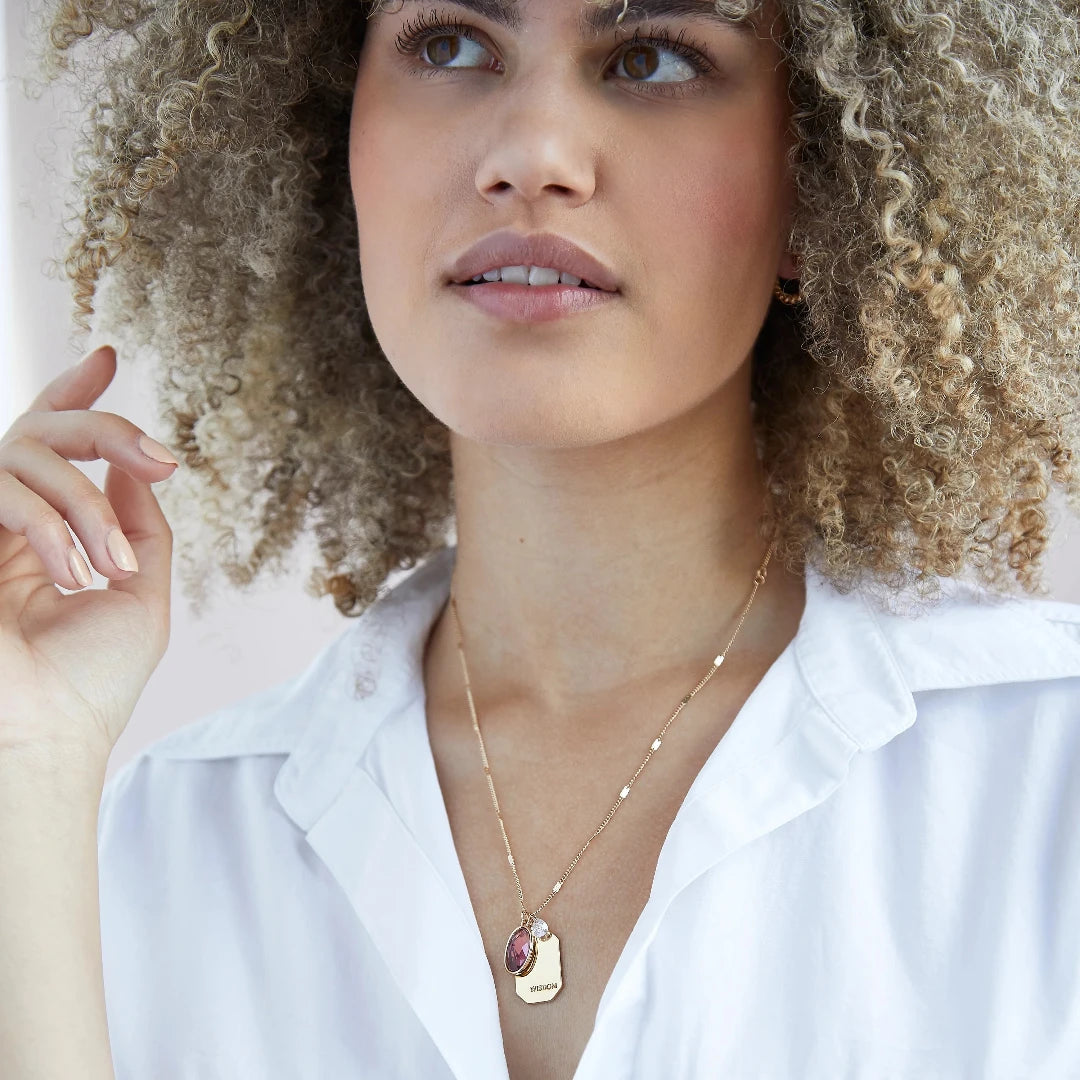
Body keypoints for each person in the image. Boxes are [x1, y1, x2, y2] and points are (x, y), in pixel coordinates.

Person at [2, 0, 1079, 1076]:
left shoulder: (1046, 777)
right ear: (334, 140)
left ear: (816, 182)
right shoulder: (153, 846)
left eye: (654, 58)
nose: (532, 157)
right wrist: (26, 762)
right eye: (449, 44)